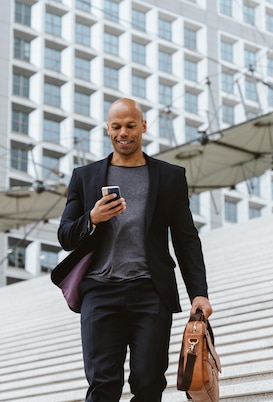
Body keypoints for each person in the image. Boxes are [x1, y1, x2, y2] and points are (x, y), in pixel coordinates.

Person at [57, 98, 213, 402]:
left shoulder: (169, 177)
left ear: (143, 126)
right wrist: (92, 218)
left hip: (151, 293)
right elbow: (65, 236)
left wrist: (199, 292)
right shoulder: (84, 177)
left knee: (149, 382)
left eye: (130, 125)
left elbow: (186, 239)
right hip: (100, 293)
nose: (123, 132)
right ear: (107, 129)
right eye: (116, 127)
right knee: (103, 383)